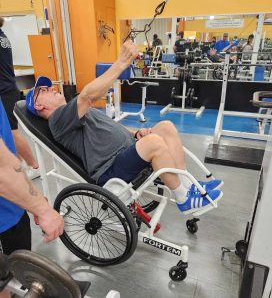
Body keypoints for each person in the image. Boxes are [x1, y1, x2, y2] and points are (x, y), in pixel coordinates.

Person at [25, 40, 223, 215]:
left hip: (126, 152)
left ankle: (189, 187)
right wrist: (121, 63)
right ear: (39, 106)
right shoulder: (58, 119)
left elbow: (111, 125)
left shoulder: (75, 113)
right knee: (154, 142)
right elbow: (87, 95)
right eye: (43, 90)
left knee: (166, 127)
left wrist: (136, 133)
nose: (51, 88)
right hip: (110, 169)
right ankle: (184, 199)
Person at [0, 99, 64, 298]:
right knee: (9, 279)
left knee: (10, 280)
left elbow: (7, 140)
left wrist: (32, 198)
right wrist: (42, 209)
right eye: (42, 92)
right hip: (6, 216)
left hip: (12, 207)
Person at [0, 16, 39, 179]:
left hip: (5, 91)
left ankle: (34, 167)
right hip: (7, 88)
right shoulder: (2, 35)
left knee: (12, 131)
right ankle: (20, 166)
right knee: (5, 133)